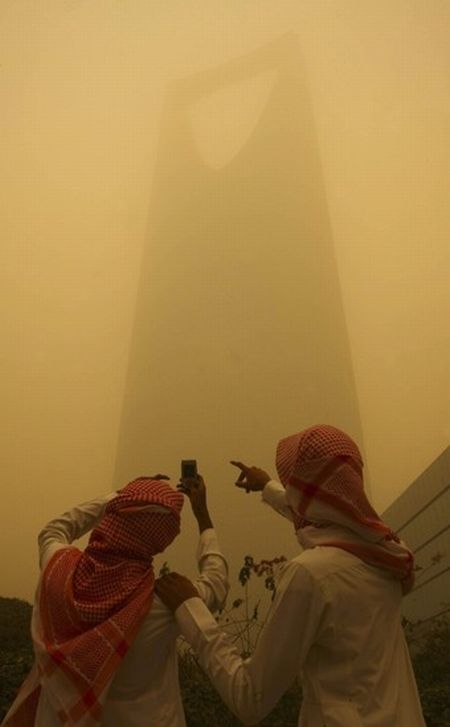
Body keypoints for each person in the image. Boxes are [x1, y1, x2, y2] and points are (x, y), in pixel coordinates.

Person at [156, 424, 426, 726]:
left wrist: (190, 608)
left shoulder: (310, 575)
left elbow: (250, 698)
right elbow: (327, 514)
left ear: (301, 490)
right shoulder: (389, 556)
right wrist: (268, 487)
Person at [4, 473, 228, 726]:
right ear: (161, 542)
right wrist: (202, 514)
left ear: (113, 517)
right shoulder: (165, 602)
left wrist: (120, 495)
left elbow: (54, 530)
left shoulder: (59, 571)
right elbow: (216, 583)